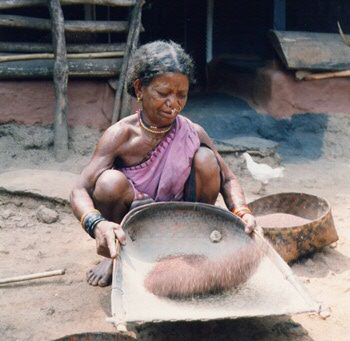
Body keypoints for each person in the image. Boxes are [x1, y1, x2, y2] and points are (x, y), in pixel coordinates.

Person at [70, 40, 257, 287]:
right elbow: (79, 190)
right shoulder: (121, 135)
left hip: (182, 221)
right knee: (108, 182)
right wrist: (98, 224)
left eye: (182, 95)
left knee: (206, 159)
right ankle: (115, 256)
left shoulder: (192, 132)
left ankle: (196, 244)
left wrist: (242, 211)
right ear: (140, 89)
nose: (174, 104)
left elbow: (229, 178)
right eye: (163, 93)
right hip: (134, 227)